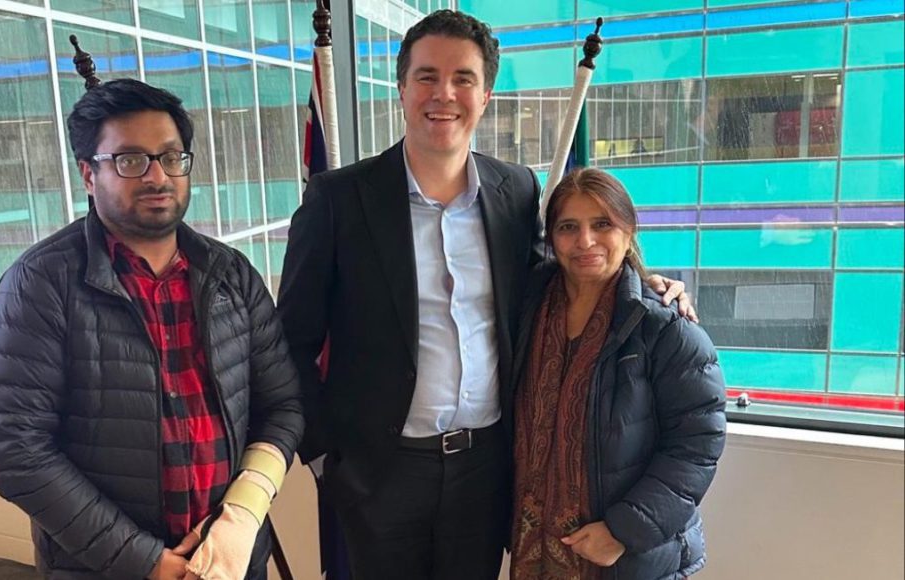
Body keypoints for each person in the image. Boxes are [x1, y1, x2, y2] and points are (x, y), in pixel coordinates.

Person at [278, 10, 692, 580]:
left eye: (462, 78)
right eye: (426, 76)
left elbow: (559, 280)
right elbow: (291, 343)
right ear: (402, 88)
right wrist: (325, 458)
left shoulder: (516, 191)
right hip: (378, 474)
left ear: (486, 94)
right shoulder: (338, 200)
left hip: (485, 471)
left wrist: (644, 285)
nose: (443, 93)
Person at [0, 79, 303, 580]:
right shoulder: (40, 284)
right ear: (88, 174)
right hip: (105, 568)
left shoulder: (231, 276)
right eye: (130, 160)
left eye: (172, 157)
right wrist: (146, 561)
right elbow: (12, 449)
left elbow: (281, 405)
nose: (158, 176)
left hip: (230, 563)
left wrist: (240, 518)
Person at [511, 167, 726, 580]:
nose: (585, 241)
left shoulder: (665, 326)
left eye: (602, 224)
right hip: (534, 547)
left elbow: (697, 443)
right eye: (568, 226)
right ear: (551, 238)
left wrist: (625, 531)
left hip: (623, 557)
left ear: (628, 230)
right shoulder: (527, 307)